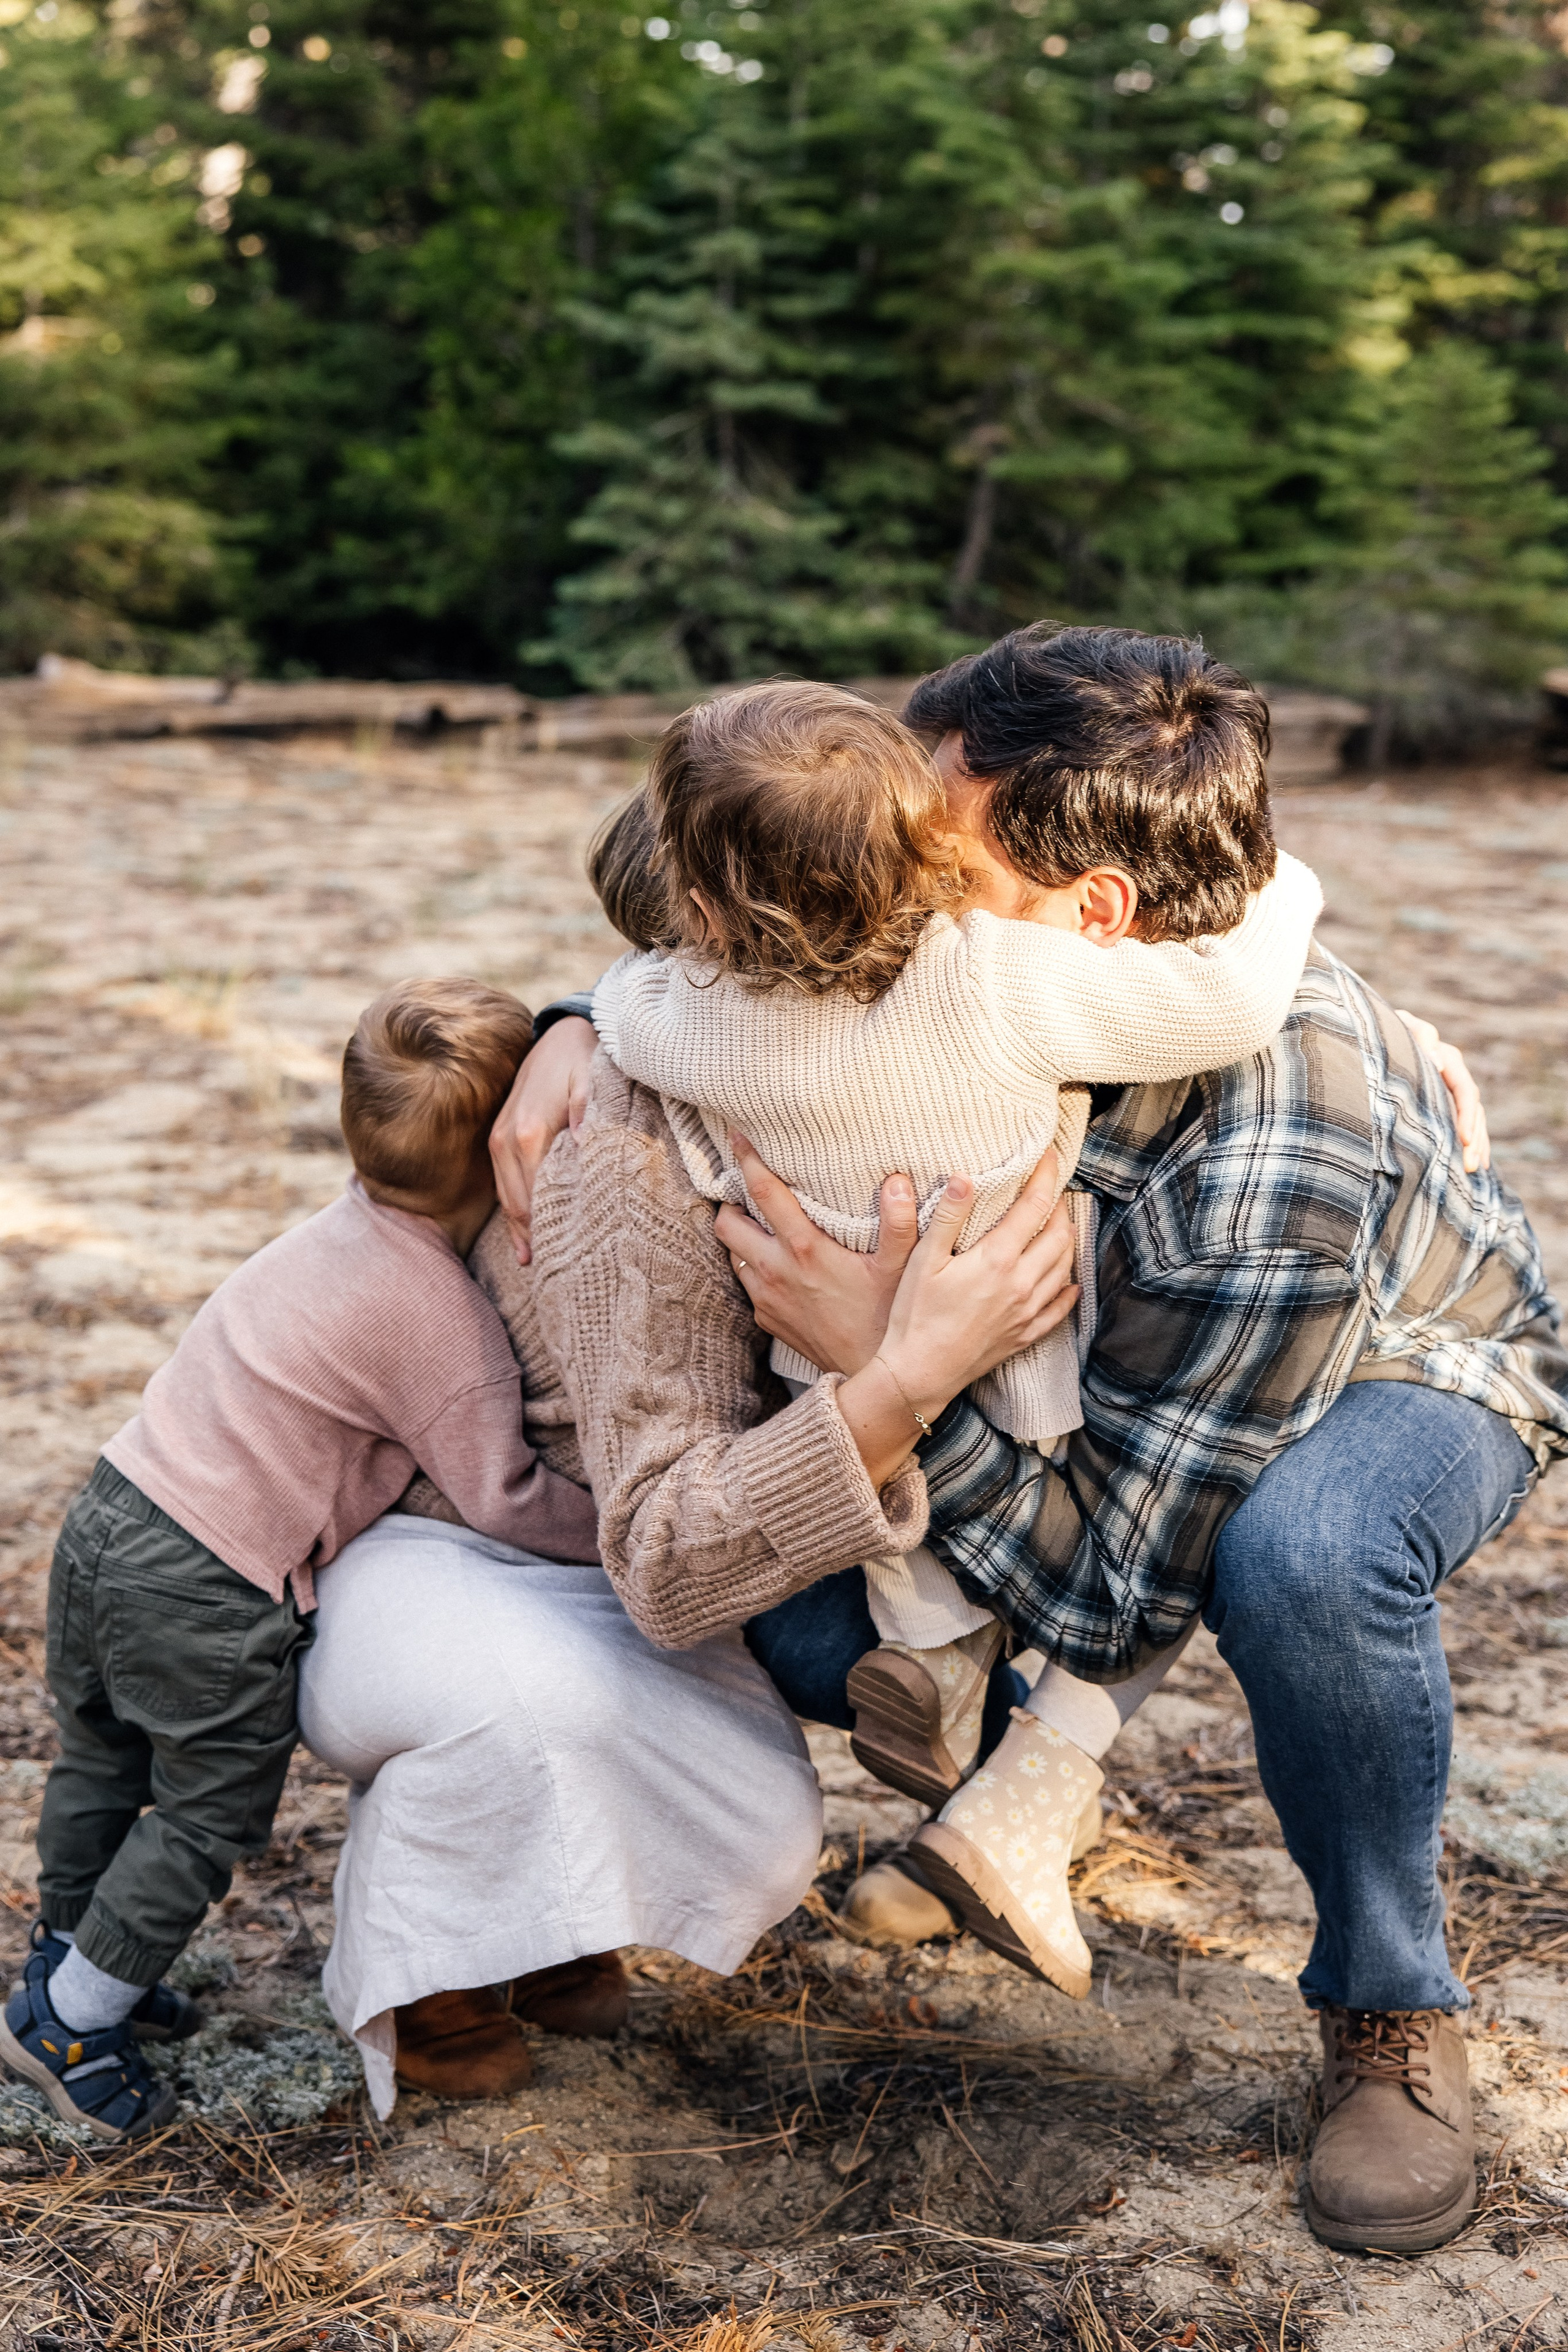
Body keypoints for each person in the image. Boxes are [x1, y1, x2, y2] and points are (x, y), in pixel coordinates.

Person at [495, 622, 1568, 2257]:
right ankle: (1007, 1805)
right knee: (798, 1612)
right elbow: (751, 892)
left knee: (1300, 1559)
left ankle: (1388, 2008)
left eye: (921, 843)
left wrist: (887, 1368)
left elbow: (1129, 1569)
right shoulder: (963, 966)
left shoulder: (1264, 1166)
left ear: (1093, 919)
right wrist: (575, 1016)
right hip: (1084, 1383)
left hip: (1379, 1353)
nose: (879, 864)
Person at [589, 674, 1322, 1992]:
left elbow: (616, 1000)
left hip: (831, 1341)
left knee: (898, 1492)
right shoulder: (987, 977)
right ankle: (1004, 1714)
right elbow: (1232, 1004)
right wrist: (1289, 891)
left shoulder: (687, 1018)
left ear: (699, 908)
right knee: (1092, 1487)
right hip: (1031, 1323)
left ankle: (931, 1654)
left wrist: (585, 1008)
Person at [299, 1082, 1079, 2114]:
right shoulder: (634, 1150)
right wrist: (903, 1383)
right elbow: (669, 1559)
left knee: (762, 1824)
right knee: (527, 1711)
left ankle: (552, 1926)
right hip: (436, 1530)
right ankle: (431, 1970)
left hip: (602, 1542)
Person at [3, 979, 600, 2141]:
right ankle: (69, 2023)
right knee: (205, 1814)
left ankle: (70, 1958)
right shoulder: (440, 1316)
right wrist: (624, 1534)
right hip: (210, 1582)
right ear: (501, 1154)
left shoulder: (333, 1229)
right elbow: (504, 1494)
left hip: (111, 1516)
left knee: (101, 1758)